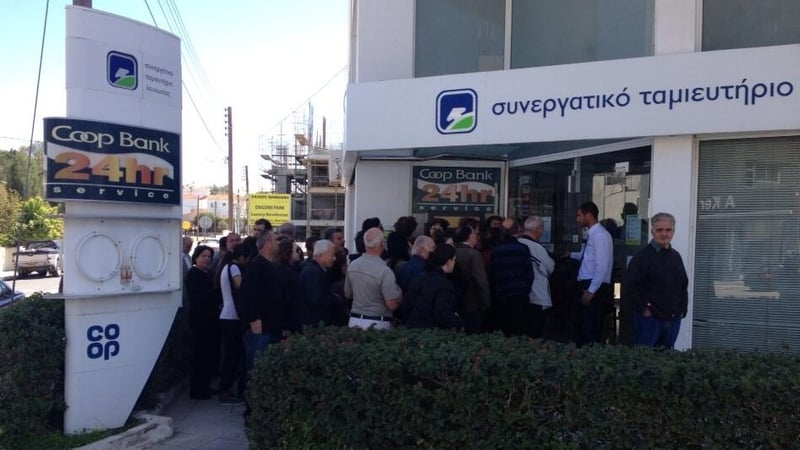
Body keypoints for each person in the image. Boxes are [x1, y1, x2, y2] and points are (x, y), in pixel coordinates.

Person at [622, 213, 688, 349]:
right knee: (644, 361)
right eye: (660, 230)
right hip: (650, 321)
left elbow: (683, 285)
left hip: (672, 319)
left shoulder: (676, 256)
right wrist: (644, 310)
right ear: (652, 232)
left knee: (665, 362)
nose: (664, 234)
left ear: (673, 231)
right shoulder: (642, 258)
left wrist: (682, 310)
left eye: (668, 230)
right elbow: (630, 287)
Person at [567, 201, 613, 347]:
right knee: (579, 325)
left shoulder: (600, 235)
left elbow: (602, 264)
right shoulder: (593, 234)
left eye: (579, 215)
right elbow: (588, 256)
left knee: (590, 327)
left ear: (589, 215)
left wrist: (592, 290)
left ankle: (589, 357)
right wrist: (571, 255)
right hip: (587, 282)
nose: (577, 219)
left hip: (593, 284)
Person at [216, 241, 254, 404]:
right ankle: (226, 390)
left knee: (231, 355)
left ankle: (226, 388)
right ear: (242, 257)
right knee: (231, 356)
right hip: (232, 317)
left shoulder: (226, 267)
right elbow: (242, 287)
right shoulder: (234, 268)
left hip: (227, 316)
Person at [344, 227, 402, 330]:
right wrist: (400, 295)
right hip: (378, 322)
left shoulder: (353, 265)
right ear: (381, 244)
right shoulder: (385, 271)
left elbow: (348, 294)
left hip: (354, 320)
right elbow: (391, 305)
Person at [184, 244, 219, 400]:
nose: (206, 259)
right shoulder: (193, 274)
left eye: (209, 257)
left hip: (211, 320)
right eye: (203, 256)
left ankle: (205, 386)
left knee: (208, 355)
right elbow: (197, 297)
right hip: (199, 319)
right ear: (196, 257)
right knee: (199, 355)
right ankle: (197, 390)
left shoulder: (210, 274)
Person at [488, 219, 534, 336]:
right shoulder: (523, 249)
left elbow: (492, 273)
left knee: (503, 329)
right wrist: (525, 290)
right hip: (519, 294)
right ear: (516, 231)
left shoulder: (495, 250)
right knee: (518, 328)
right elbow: (529, 273)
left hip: (501, 294)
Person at [403, 244, 463, 330]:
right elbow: (443, 315)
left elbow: (407, 303)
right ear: (448, 261)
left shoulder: (420, 277)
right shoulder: (445, 285)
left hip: (411, 328)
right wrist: (458, 321)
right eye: (454, 260)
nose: (454, 263)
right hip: (430, 333)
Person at [518, 216, 555, 339]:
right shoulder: (537, 248)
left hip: (519, 295)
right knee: (535, 333)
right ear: (538, 230)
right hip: (536, 295)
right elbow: (551, 267)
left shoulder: (517, 243)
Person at [452, 224, 490, 333]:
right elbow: (481, 280)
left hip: (455, 300)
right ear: (469, 236)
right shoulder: (474, 254)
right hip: (472, 302)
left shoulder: (453, 251)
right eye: (474, 233)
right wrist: (486, 302)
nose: (476, 236)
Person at [296, 239, 341, 328]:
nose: (334, 258)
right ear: (321, 255)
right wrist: (335, 298)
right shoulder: (313, 272)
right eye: (332, 255)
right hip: (314, 324)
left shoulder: (313, 270)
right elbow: (316, 300)